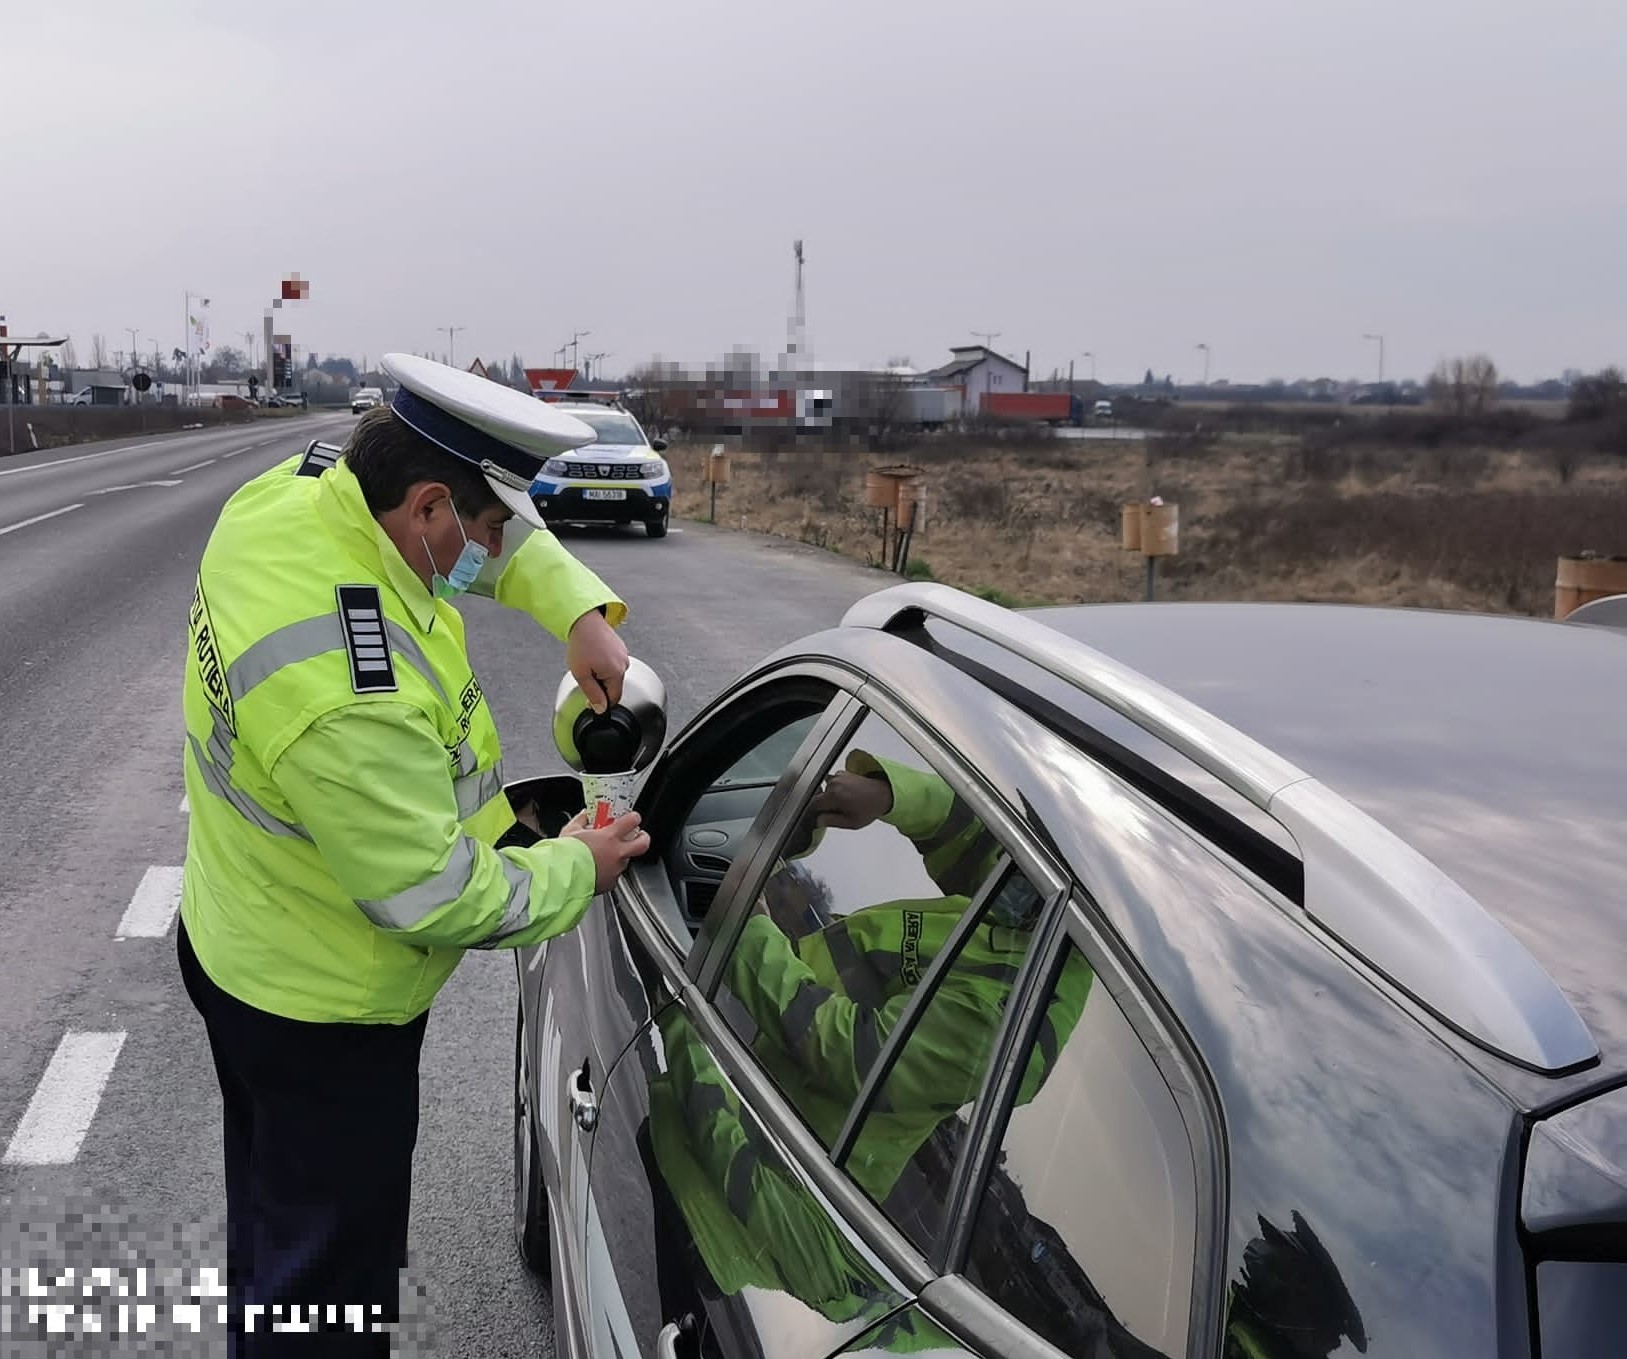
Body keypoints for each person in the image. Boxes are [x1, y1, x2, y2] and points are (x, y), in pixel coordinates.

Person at [176, 353, 651, 1355]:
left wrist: (575, 609)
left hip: (237, 934)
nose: (493, 551)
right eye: (482, 531)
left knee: (276, 1218)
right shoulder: (349, 689)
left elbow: (497, 538)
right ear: (426, 507)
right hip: (323, 1009)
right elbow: (432, 896)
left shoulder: (302, 494)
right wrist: (578, 867)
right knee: (327, 1291)